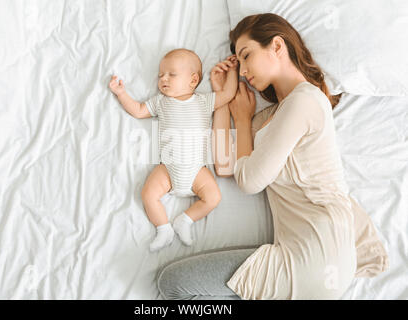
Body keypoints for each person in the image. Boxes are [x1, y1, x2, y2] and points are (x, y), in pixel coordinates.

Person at [157, 13, 389, 300]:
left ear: (277, 46)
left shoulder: (306, 99)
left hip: (317, 254)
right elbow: (227, 166)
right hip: (316, 259)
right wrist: (223, 101)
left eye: (246, 55)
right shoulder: (269, 118)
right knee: (177, 285)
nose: (242, 71)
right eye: (238, 63)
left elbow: (250, 181)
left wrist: (242, 123)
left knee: (175, 284)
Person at [109, 48, 238, 252]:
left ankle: (185, 220)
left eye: (171, 74)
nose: (163, 79)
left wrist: (233, 71)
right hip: (167, 168)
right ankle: (163, 229)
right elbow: (138, 110)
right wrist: (121, 93)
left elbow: (229, 94)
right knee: (148, 195)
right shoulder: (160, 102)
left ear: (193, 80)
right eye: (160, 75)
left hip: (197, 170)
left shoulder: (204, 101)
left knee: (213, 198)